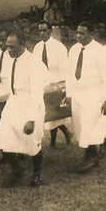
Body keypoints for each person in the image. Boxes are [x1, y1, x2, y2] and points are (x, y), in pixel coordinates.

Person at [0, 31, 46, 188]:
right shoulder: (9, 59)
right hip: (13, 102)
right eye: (8, 47)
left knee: (32, 142)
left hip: (31, 103)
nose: (8, 50)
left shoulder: (35, 64)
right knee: (3, 140)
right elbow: (9, 86)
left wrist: (32, 119)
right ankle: (17, 170)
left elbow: (38, 94)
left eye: (12, 47)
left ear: (24, 45)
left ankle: (37, 174)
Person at [66, 22, 106, 173]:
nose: (78, 35)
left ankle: (90, 157)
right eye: (77, 32)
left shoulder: (100, 51)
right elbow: (69, 72)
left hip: (94, 93)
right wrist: (68, 94)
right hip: (77, 94)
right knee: (79, 125)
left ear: (91, 34)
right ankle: (90, 155)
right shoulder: (74, 50)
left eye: (82, 33)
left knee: (89, 124)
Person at [33, 20, 72, 148]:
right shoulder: (37, 47)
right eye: (40, 31)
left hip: (55, 82)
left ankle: (53, 141)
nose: (42, 33)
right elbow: (34, 67)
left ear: (50, 31)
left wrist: (58, 84)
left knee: (54, 111)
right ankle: (66, 132)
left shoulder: (59, 47)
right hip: (42, 83)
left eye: (44, 30)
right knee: (46, 112)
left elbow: (64, 68)